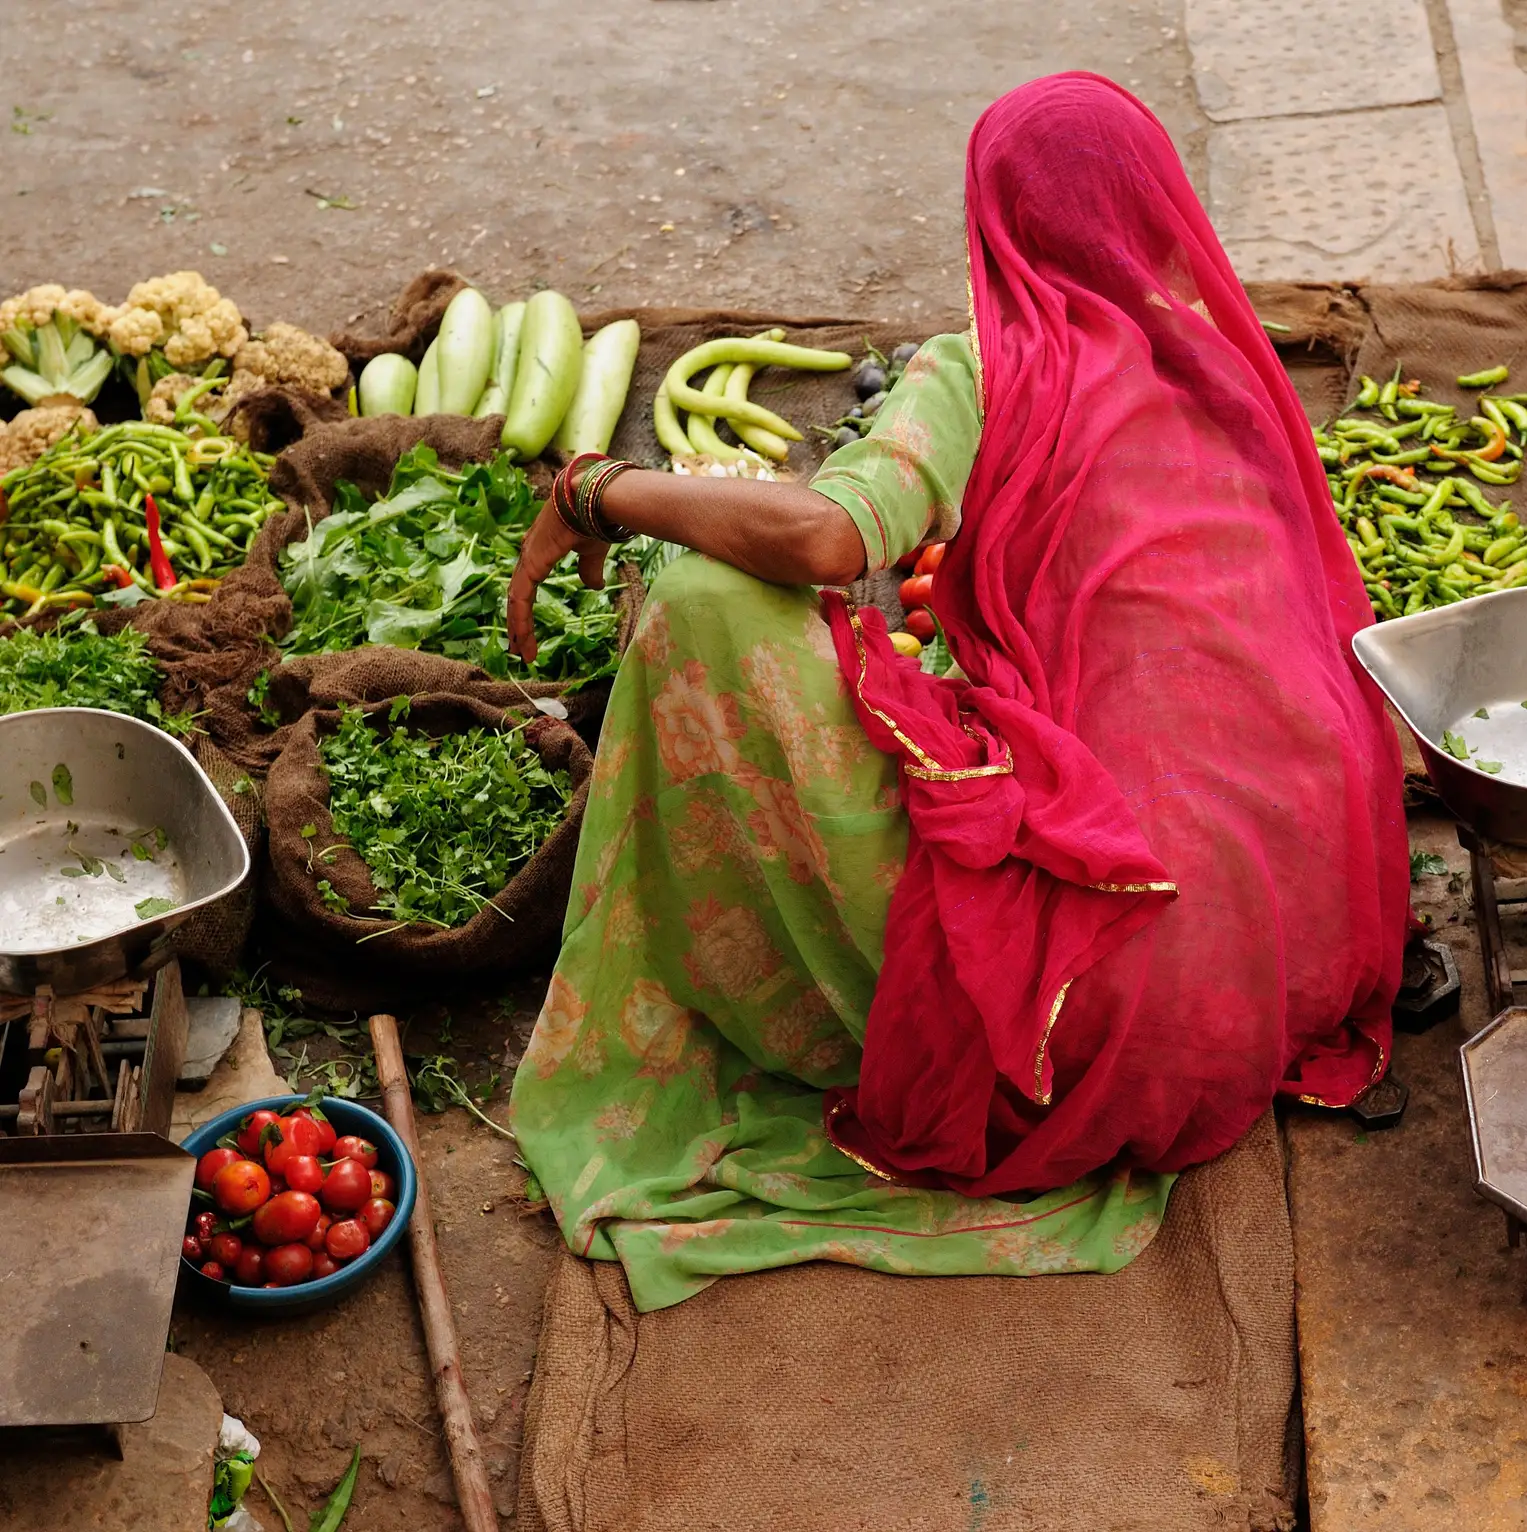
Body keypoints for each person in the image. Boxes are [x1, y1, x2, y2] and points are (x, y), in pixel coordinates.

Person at [506, 72, 1409, 1313]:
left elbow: (833, 539)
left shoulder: (996, 368)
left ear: (992, 222)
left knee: (708, 602)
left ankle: (804, 999)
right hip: (1271, 969)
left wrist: (599, 490)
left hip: (1094, 1015)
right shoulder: (1232, 365)